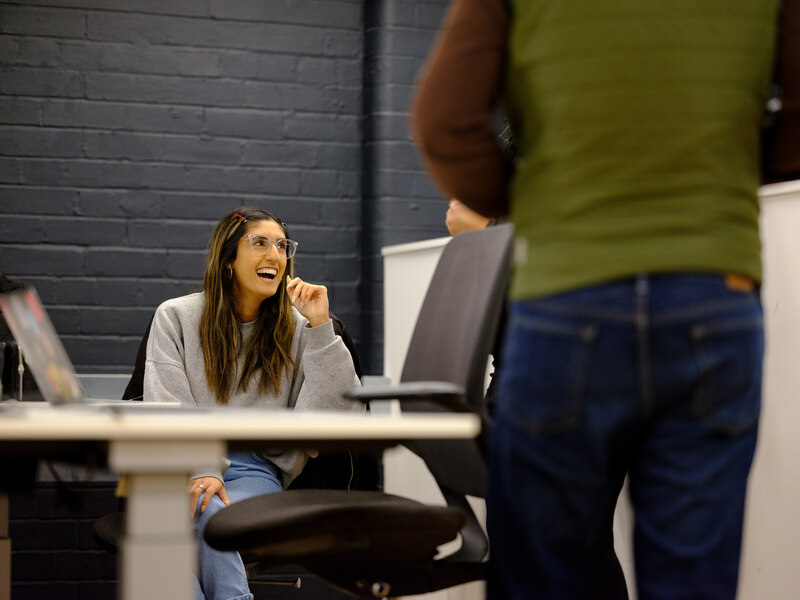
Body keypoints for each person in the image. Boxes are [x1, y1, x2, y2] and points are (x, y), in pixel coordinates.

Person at [411, 1, 800, 599]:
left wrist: (541, 207)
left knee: (542, 578)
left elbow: (444, 122)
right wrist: (722, 173)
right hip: (710, 293)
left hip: (569, 296)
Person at [143, 207, 362, 600]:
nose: (275, 256)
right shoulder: (175, 317)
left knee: (195, 518)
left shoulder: (298, 327)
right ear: (228, 259)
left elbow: (344, 416)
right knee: (179, 524)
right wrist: (202, 468)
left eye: (282, 246)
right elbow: (166, 408)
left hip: (256, 470)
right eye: (259, 243)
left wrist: (321, 328)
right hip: (181, 466)